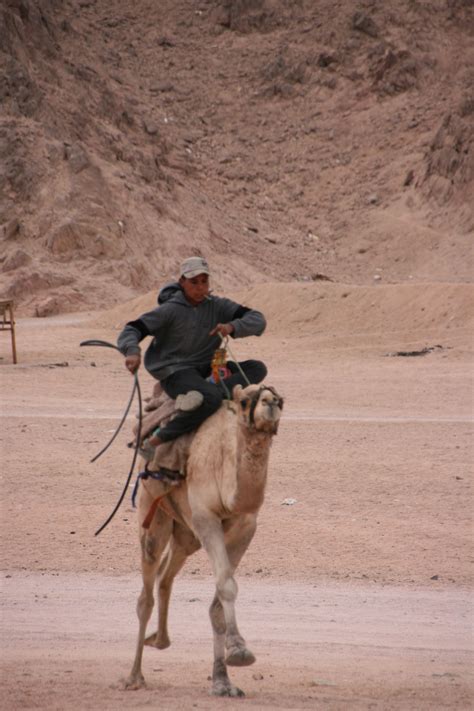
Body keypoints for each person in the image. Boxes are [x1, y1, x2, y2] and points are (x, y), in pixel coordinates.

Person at [117, 256, 267, 459]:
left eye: (204, 281)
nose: (200, 287)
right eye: (194, 282)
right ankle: (156, 440)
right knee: (212, 399)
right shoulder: (170, 309)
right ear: (182, 282)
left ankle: (205, 391)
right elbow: (133, 328)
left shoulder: (218, 306)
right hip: (175, 371)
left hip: (206, 366)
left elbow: (258, 320)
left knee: (257, 368)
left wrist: (232, 326)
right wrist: (132, 351)